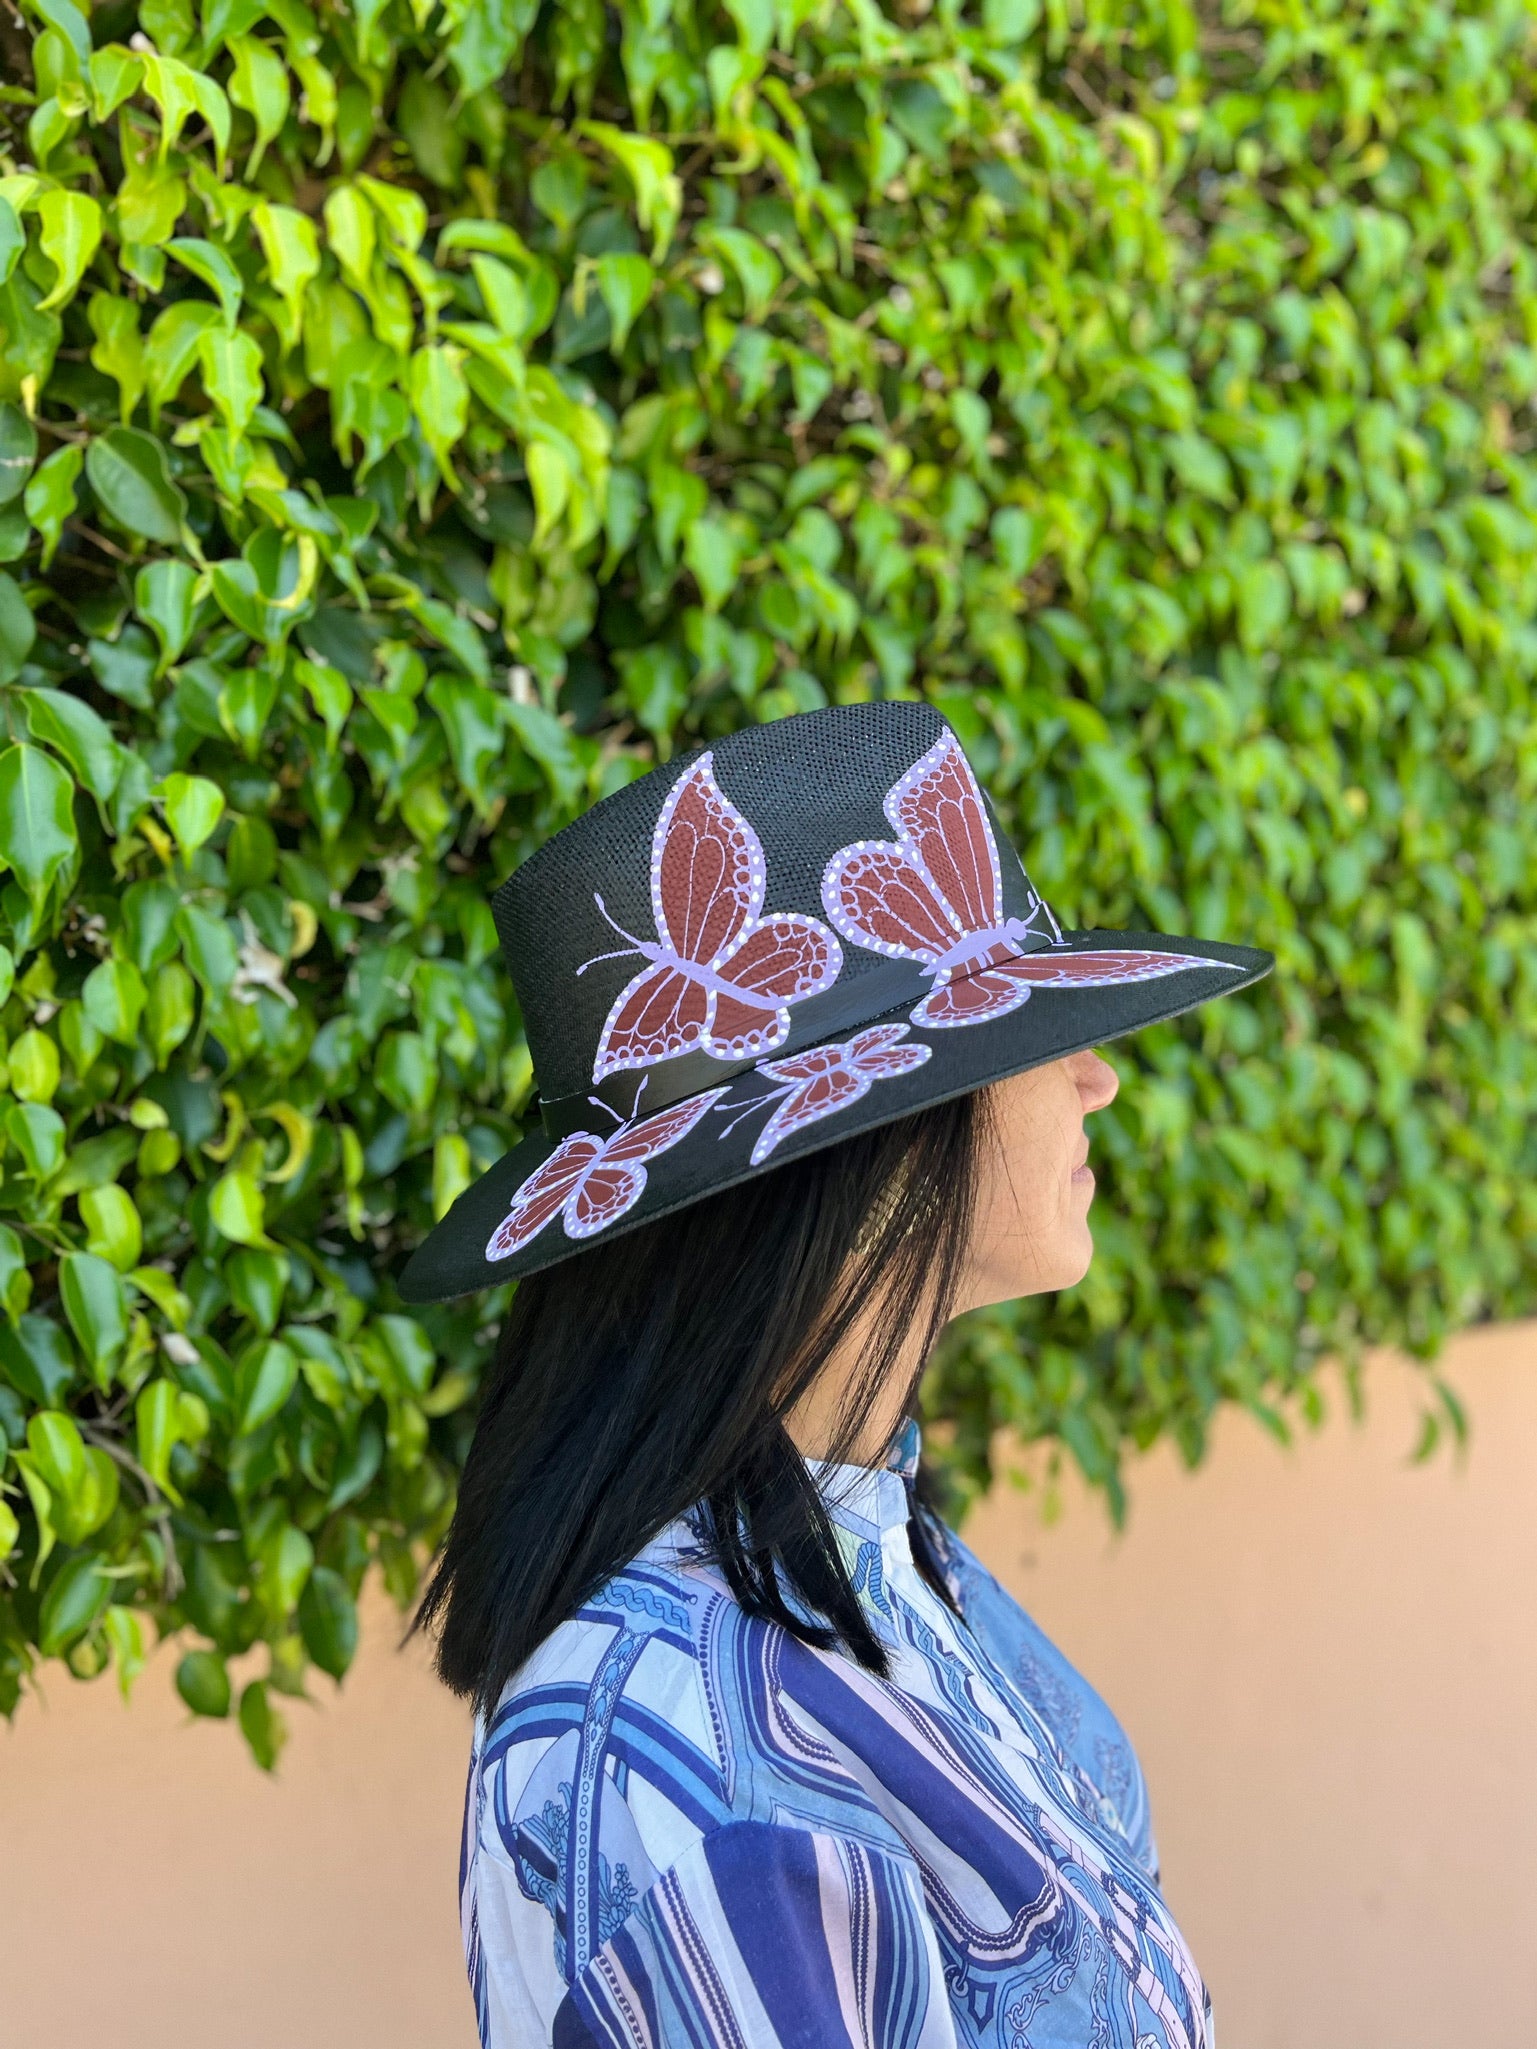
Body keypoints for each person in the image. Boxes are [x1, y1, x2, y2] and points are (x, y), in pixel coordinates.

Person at [401, 702, 1272, 2049]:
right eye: (1021, 1035)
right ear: (866, 1148)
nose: (1094, 1079)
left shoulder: (856, 1536)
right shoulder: (697, 1752)